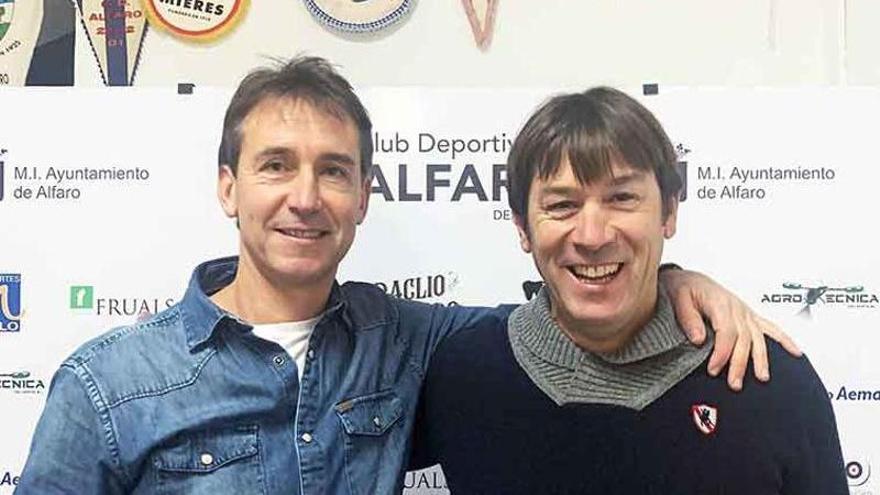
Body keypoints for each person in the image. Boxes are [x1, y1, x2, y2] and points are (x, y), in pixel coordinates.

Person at [17, 58, 797, 494]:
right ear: (228, 186)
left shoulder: (414, 342)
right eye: (275, 166)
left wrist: (679, 282)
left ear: (363, 195)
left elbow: (577, 299)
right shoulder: (104, 387)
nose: (304, 197)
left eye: (333, 171)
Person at [411, 87, 847, 494]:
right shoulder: (463, 373)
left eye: (621, 198)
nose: (593, 235)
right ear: (523, 228)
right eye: (562, 205)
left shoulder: (769, 380)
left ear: (669, 212)